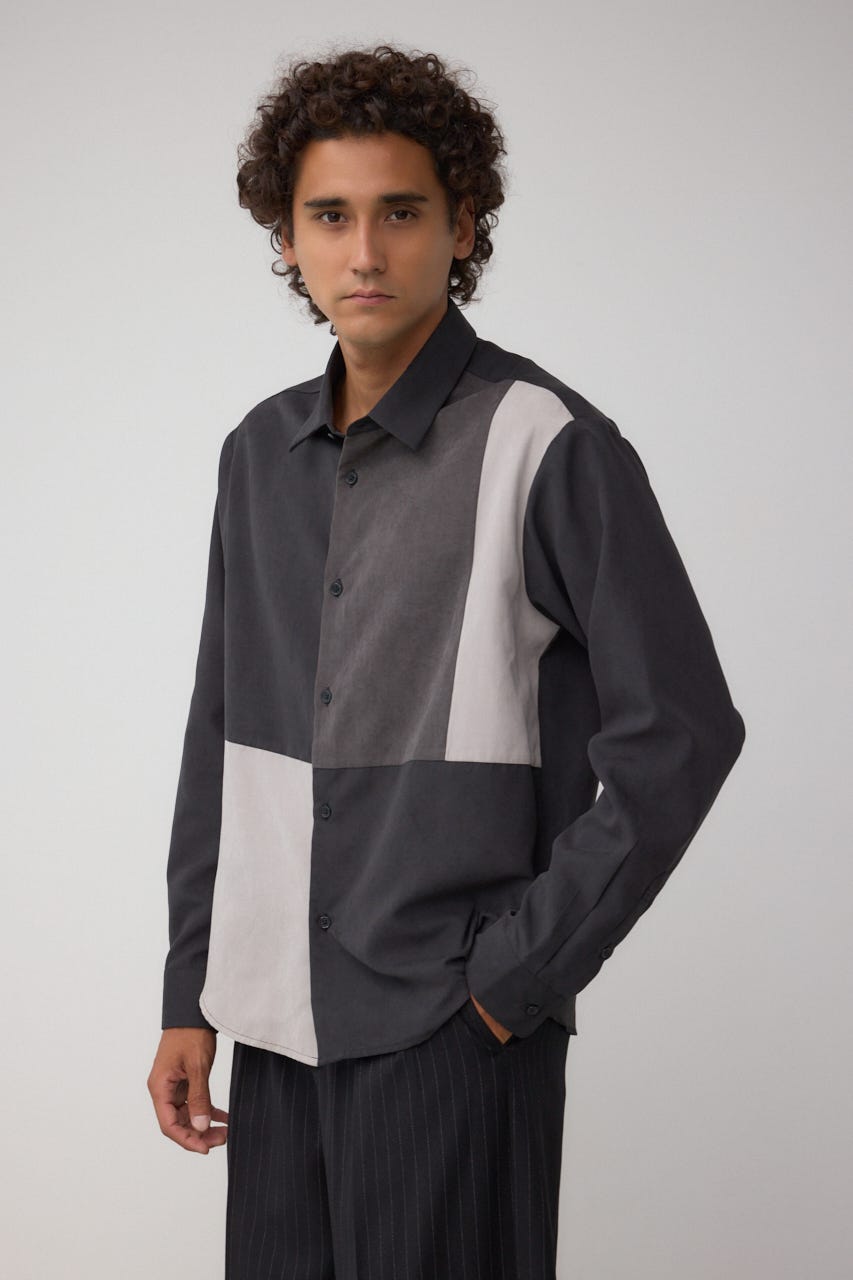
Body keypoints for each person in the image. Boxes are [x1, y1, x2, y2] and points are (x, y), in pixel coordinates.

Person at [147, 42, 746, 1279]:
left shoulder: (547, 442)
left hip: (450, 1029)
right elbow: (222, 736)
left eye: (402, 212)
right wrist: (189, 989)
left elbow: (681, 731)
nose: (365, 251)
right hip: (274, 1025)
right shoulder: (256, 456)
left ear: (462, 224)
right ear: (286, 237)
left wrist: (511, 978)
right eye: (330, 215)